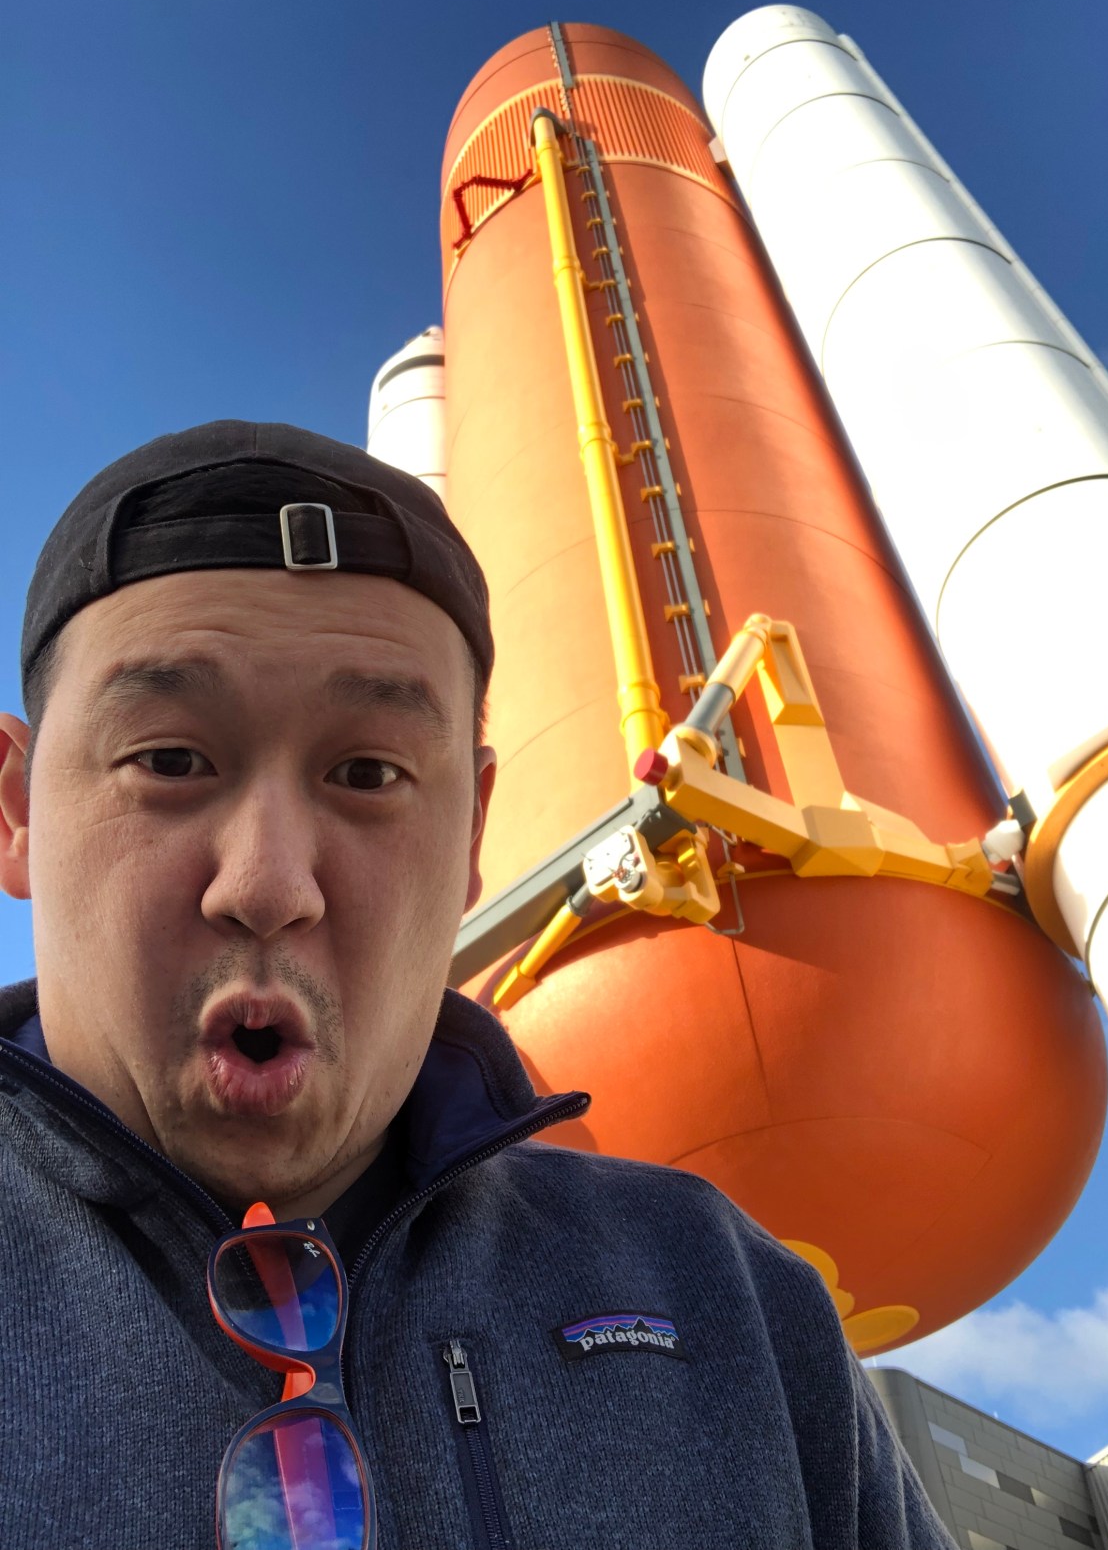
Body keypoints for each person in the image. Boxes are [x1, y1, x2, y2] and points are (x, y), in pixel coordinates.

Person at [0, 420, 956, 1549]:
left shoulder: (726, 1297)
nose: (267, 884)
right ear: (17, 810)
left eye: (369, 772)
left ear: (470, 838)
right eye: (169, 760)